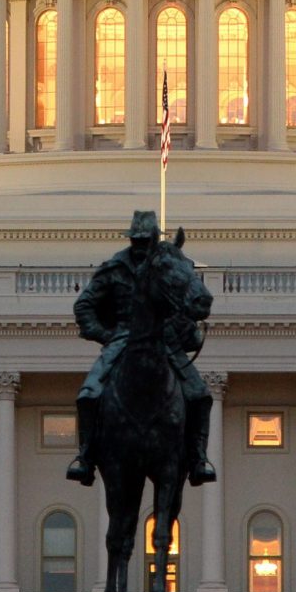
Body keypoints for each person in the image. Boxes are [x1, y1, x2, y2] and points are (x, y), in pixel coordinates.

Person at [67, 208, 216, 486]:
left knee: (200, 394)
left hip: (164, 339)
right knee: (88, 393)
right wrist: (105, 334)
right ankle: (85, 457)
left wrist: (183, 328)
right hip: (122, 337)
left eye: (145, 240)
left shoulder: (169, 264)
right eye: (136, 240)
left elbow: (185, 298)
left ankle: (198, 458)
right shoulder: (114, 268)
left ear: (154, 240)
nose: (140, 246)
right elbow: (84, 305)